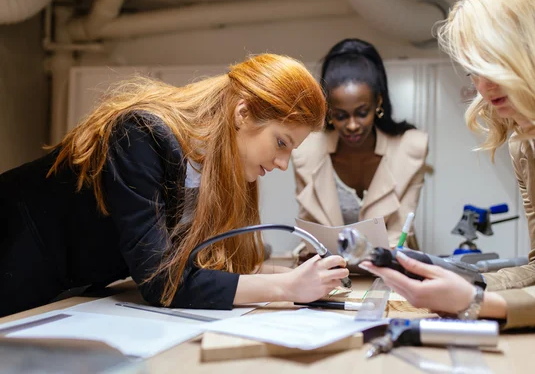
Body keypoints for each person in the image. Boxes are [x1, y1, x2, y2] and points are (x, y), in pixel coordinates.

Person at [0, 53, 350, 318]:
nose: (282, 164)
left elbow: (202, 262)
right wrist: (286, 286)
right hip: (14, 249)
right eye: (281, 143)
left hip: (63, 275)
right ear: (242, 113)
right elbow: (162, 282)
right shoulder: (141, 134)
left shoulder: (220, 166)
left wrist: (301, 276)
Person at [360, 0, 535, 329]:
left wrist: (474, 301)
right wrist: (455, 282)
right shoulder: (524, 142)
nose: (483, 86)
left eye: (493, 61)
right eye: (473, 68)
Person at [292, 38, 428, 250]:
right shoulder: (306, 152)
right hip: (331, 274)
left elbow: (399, 231)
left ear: (378, 103)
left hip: (389, 270)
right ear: (328, 110)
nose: (352, 125)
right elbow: (310, 233)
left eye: (362, 113)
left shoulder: (410, 148)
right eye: (341, 115)